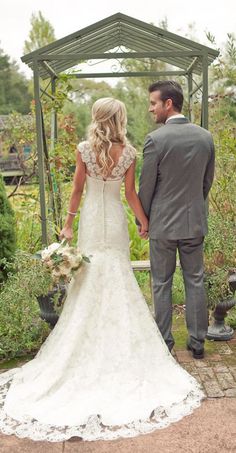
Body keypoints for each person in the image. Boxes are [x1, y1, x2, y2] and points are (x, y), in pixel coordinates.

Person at [0, 98, 204, 443]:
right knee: (118, 274)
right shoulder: (128, 152)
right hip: (115, 225)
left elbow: (77, 190)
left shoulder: (84, 149)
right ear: (119, 119)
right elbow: (128, 194)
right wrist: (143, 221)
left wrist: (67, 226)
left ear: (98, 118)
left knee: (90, 277)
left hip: (92, 222)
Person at [138, 81, 215, 359]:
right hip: (193, 221)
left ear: (168, 104)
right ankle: (197, 344)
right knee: (195, 280)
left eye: (153, 104)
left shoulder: (155, 140)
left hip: (162, 224)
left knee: (161, 282)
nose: (151, 109)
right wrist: (193, 205)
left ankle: (164, 343)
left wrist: (143, 220)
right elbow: (206, 182)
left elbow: (146, 187)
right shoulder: (205, 137)